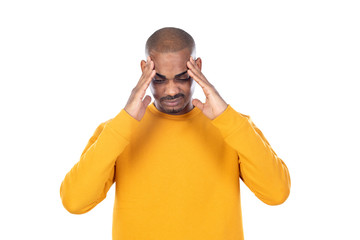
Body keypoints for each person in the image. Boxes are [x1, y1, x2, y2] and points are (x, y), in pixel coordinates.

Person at [60, 27, 291, 240]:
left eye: (182, 77)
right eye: (159, 80)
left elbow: (277, 193)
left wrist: (227, 118)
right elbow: (75, 202)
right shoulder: (117, 132)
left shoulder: (232, 127)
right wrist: (125, 121)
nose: (171, 90)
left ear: (197, 67)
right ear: (144, 70)